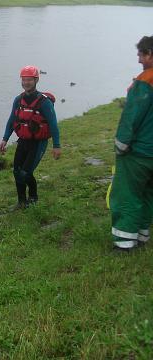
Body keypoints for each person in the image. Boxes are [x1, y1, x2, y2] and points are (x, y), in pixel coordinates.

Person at [109, 35, 153, 251]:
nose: (139, 60)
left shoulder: (146, 80)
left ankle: (124, 243)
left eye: (141, 55)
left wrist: (120, 145)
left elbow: (131, 116)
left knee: (127, 194)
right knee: (147, 194)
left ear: (150, 54)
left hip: (139, 152)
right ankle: (142, 235)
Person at [0, 65, 61, 208]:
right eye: (24, 80)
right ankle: (21, 202)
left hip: (38, 143)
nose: (26, 83)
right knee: (17, 171)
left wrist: (57, 146)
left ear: (36, 80)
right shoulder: (18, 100)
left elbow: (53, 124)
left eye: (30, 80)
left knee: (25, 173)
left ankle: (33, 197)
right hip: (23, 141)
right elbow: (12, 121)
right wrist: (5, 139)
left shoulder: (44, 102)